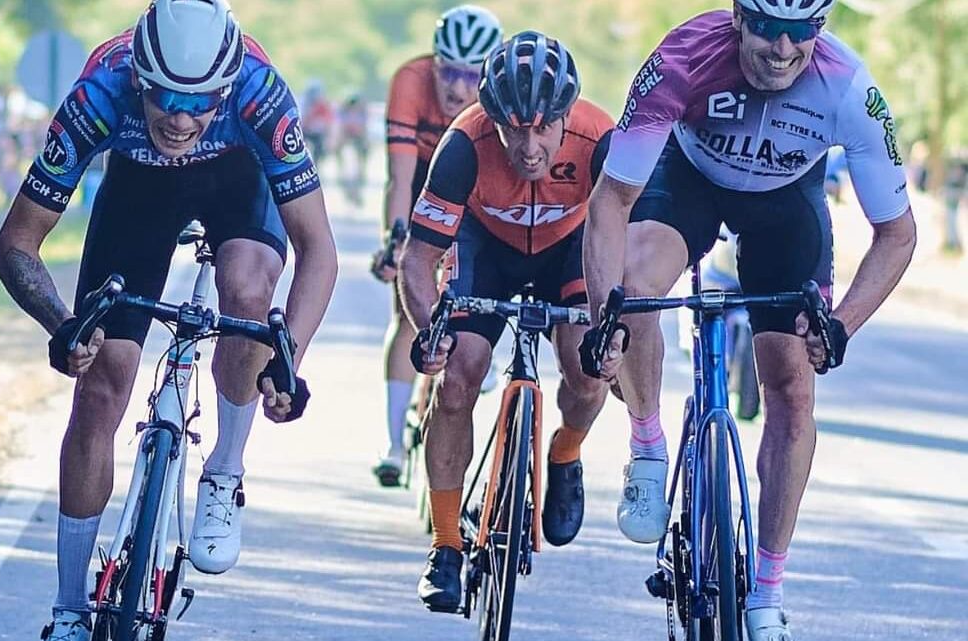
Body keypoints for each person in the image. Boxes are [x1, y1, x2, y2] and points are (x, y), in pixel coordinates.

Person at [0, 1, 338, 639]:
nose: (181, 120)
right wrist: (61, 323)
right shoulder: (100, 90)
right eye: (165, 101)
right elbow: (16, 243)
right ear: (139, 83)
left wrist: (289, 352)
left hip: (238, 182)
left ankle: (225, 469)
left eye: (201, 103)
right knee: (101, 386)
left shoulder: (261, 94)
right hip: (139, 190)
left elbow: (319, 249)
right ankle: (70, 608)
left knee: (246, 288)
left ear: (227, 89)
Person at [581, 2, 916, 639]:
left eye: (802, 32)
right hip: (687, 179)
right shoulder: (681, 58)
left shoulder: (849, 86)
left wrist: (841, 323)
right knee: (638, 289)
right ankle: (648, 446)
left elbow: (896, 234)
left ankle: (766, 591)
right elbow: (610, 204)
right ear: (739, 18)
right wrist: (605, 319)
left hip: (784, 203)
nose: (783, 49)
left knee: (792, 387)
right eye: (768, 27)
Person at [400, 31, 627, 612]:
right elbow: (419, 258)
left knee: (589, 371)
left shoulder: (600, 139)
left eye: (543, 127)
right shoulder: (465, 145)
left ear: (566, 115)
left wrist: (617, 332)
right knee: (457, 379)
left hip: (570, 249)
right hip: (487, 250)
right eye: (513, 129)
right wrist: (430, 330)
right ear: (492, 118)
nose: (529, 147)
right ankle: (446, 543)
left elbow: (628, 244)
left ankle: (566, 451)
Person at [369, 4, 502, 487]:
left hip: (472, 183)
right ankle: (392, 444)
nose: (457, 88)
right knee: (407, 310)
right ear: (434, 63)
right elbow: (399, 177)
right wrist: (397, 242)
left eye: (472, 76)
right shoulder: (410, 80)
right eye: (448, 71)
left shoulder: (496, 97)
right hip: (422, 178)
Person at [336, 92, 369, 204]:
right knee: (348, 170)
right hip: (347, 143)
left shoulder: (361, 114)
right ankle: (349, 193)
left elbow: (364, 130)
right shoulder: (344, 114)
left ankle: (355, 193)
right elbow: (340, 129)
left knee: (357, 170)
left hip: (357, 143)